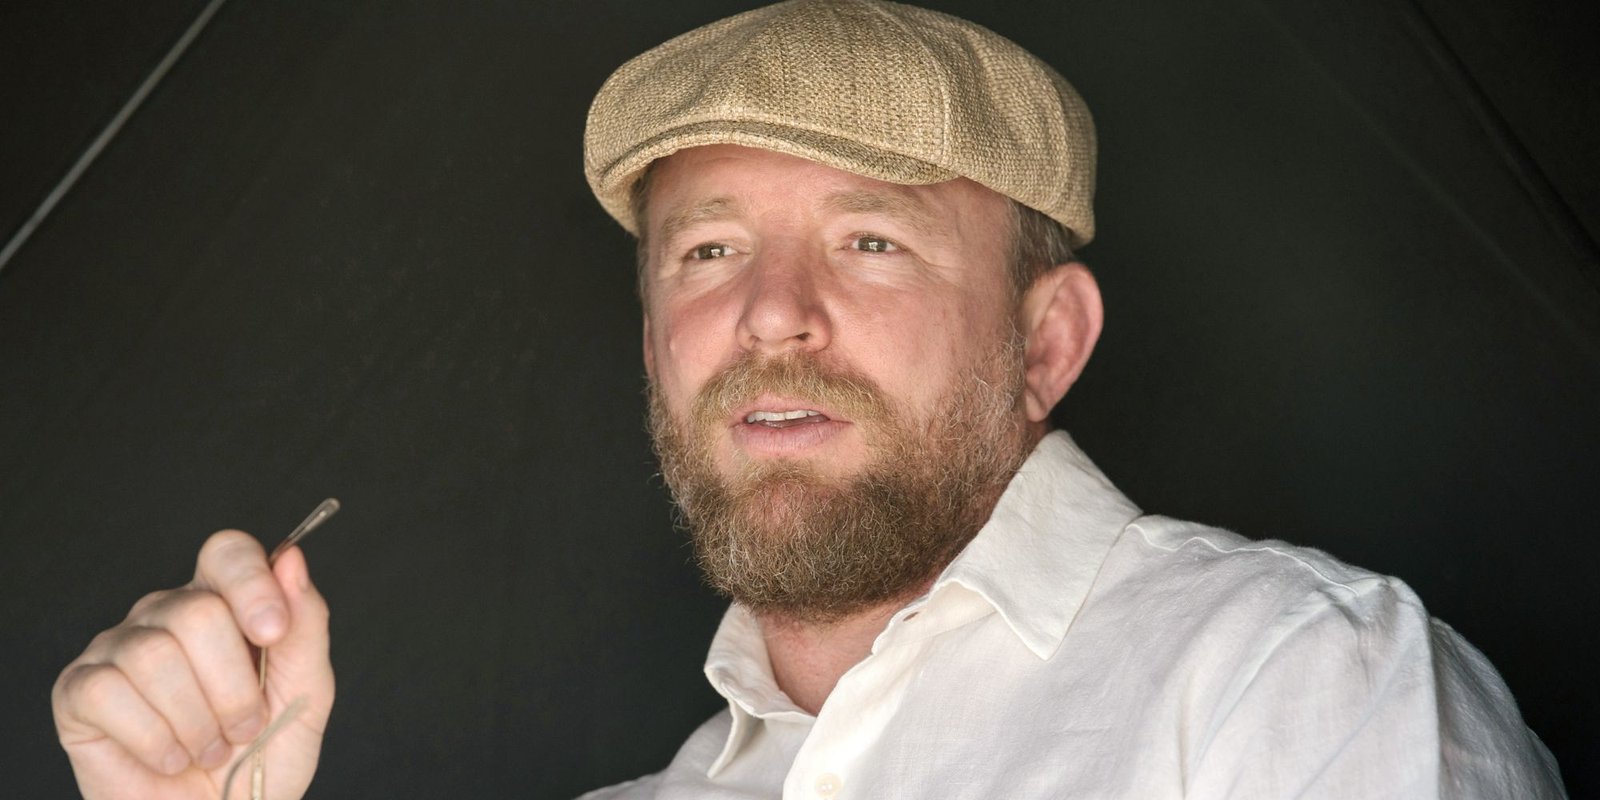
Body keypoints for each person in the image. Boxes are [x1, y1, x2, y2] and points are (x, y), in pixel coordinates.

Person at [52, 1, 1565, 798]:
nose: (771, 314)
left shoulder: (1293, 683)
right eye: (708, 250)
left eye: (870, 241)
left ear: (1045, 343)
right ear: (658, 343)